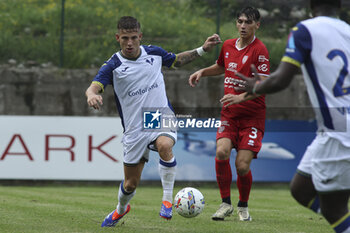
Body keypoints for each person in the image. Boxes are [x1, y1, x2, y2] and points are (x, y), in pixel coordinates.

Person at [85, 16, 221, 227]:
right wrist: (91, 96)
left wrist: (202, 49)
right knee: (130, 184)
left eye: (133, 38)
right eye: (124, 38)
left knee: (165, 144)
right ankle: (120, 210)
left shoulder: (154, 53)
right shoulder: (113, 65)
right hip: (134, 129)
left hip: (158, 114)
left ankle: (167, 200)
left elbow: (177, 60)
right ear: (117, 38)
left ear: (140, 36)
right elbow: (94, 86)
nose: (129, 43)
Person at [235, 0, 350, 232]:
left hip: (338, 131)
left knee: (333, 207)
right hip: (335, 126)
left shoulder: (304, 31)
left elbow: (282, 79)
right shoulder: (347, 31)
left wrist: (256, 87)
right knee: (301, 189)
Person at [189, 6, 270, 221]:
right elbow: (220, 66)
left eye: (248, 22)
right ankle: (226, 204)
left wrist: (240, 98)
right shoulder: (227, 45)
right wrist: (201, 72)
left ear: (257, 25)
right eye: (240, 22)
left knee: (242, 165)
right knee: (221, 152)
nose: (243, 26)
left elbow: (262, 85)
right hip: (229, 115)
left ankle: (243, 206)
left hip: (252, 116)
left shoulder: (260, 50)